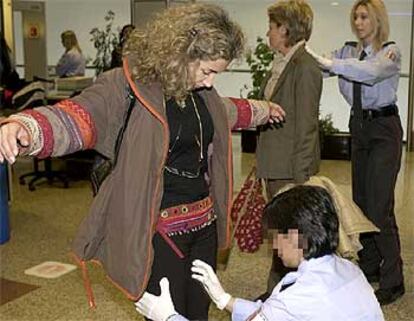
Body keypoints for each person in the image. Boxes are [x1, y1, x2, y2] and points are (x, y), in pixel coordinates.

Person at [0, 4, 285, 320]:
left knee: (197, 313)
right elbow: (78, 117)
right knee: (166, 314)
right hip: (159, 233)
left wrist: (263, 110)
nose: (210, 82)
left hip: (204, 227)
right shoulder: (125, 87)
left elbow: (226, 112)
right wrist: (27, 127)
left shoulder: (201, 93)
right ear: (181, 53)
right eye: (207, 71)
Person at [135, 185, 384, 321]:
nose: (274, 247)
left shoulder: (297, 298)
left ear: (294, 237)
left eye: (275, 237)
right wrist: (226, 300)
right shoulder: (350, 270)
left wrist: (168, 317)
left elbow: (282, 311)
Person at [306, 0, 404, 305]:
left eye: (364, 17)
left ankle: (394, 278)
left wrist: (331, 64)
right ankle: (372, 266)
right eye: (356, 17)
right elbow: (321, 69)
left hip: (384, 129)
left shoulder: (390, 51)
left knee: (379, 206)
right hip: (359, 128)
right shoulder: (347, 51)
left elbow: (369, 72)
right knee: (362, 203)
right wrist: (301, 58)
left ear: (377, 20)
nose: (358, 22)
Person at [254, 0, 322, 298]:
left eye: (272, 27)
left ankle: (281, 298)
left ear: (285, 29)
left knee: (290, 240)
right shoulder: (282, 63)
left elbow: (307, 127)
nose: (268, 32)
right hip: (275, 165)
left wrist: (300, 181)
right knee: (282, 237)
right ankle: (277, 295)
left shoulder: (305, 67)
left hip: (289, 170)